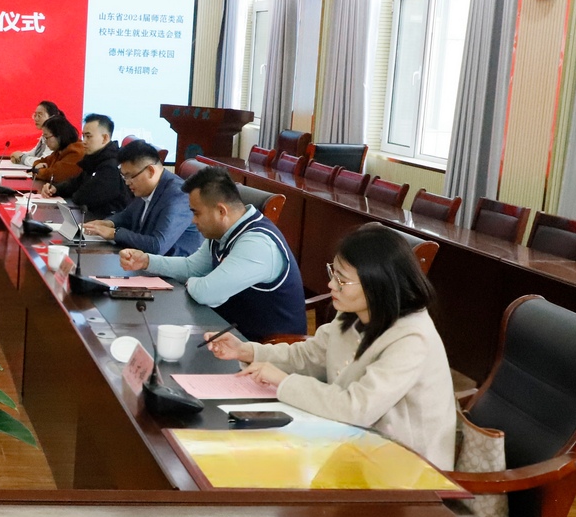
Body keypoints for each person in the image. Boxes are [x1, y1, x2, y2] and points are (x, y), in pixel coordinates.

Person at [206, 224, 457, 469]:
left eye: (342, 280)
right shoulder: (354, 312)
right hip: (351, 443)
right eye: (333, 273)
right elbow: (309, 355)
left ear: (377, 283)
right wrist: (247, 351)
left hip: (405, 468)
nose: (331, 286)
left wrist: (283, 381)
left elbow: (356, 408)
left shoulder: (411, 338)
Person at [119, 166, 305, 341]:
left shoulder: (257, 244)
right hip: (229, 334)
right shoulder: (222, 232)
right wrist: (147, 261)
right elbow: (192, 267)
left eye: (197, 213)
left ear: (221, 211)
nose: (193, 221)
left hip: (266, 347)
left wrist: (192, 281)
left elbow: (207, 293)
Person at [83, 139, 201, 256]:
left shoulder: (178, 195)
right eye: (124, 177)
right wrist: (108, 223)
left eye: (130, 176)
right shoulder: (147, 188)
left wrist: (114, 233)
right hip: (143, 260)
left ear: (150, 171)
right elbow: (128, 215)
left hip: (171, 265)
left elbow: (157, 246)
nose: (127, 182)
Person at [39, 114, 130, 219]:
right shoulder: (94, 158)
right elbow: (76, 182)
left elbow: (84, 197)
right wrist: (55, 188)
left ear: (105, 138)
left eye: (89, 136)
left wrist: (75, 192)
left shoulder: (111, 166)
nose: (84, 141)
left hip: (104, 220)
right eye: (83, 136)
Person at [30, 114, 86, 185]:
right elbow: (40, 161)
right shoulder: (59, 151)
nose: (45, 141)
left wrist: (37, 171)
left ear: (59, 135)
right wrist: (40, 168)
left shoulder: (76, 152)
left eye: (46, 137)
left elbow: (55, 175)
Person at [10, 100, 60, 165]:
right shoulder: (45, 135)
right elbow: (34, 153)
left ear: (52, 117)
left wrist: (22, 158)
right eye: (35, 115)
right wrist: (18, 155)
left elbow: (44, 161)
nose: (36, 119)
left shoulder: (55, 136)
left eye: (39, 115)